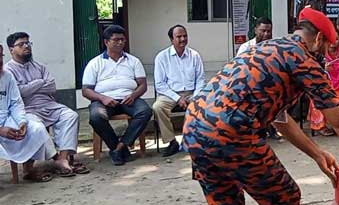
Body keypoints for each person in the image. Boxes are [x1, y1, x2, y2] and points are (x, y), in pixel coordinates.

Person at [183, 8, 339, 205]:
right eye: (326, 48)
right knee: (286, 200)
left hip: (195, 127)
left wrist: (318, 154)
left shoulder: (267, 48)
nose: (325, 55)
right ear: (319, 38)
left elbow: (280, 120)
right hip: (232, 131)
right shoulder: (305, 60)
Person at [5, 32, 88, 176]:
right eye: (21, 44)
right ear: (11, 49)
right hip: (27, 109)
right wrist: (39, 82)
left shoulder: (39, 66)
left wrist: (29, 87)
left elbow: (52, 87)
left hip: (49, 105)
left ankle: (62, 158)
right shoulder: (8, 70)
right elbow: (19, 93)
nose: (26, 46)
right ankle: (54, 159)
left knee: (71, 116)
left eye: (28, 43)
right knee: (36, 127)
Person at [82, 25, 152, 166]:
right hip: (104, 100)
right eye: (116, 40)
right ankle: (118, 147)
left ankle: (120, 147)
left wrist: (134, 95)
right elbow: (86, 90)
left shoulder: (133, 61)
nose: (120, 42)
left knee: (146, 111)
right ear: (106, 42)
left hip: (129, 99)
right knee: (96, 117)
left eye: (122, 40)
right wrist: (103, 98)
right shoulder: (95, 63)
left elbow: (142, 85)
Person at [0, 43, 56, 182]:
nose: (0, 61)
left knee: (36, 127)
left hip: (7, 118)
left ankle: (29, 169)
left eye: (0, 56)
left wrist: (22, 122)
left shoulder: (6, 77)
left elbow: (16, 103)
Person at [153, 25, 205, 157]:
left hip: (191, 92)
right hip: (169, 94)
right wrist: (177, 98)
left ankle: (195, 140)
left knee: (204, 104)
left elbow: (200, 79)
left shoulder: (194, 55)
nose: (183, 39)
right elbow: (159, 84)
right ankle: (171, 142)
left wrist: (195, 96)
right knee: (158, 107)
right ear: (171, 39)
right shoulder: (162, 57)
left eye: (185, 36)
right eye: (179, 37)